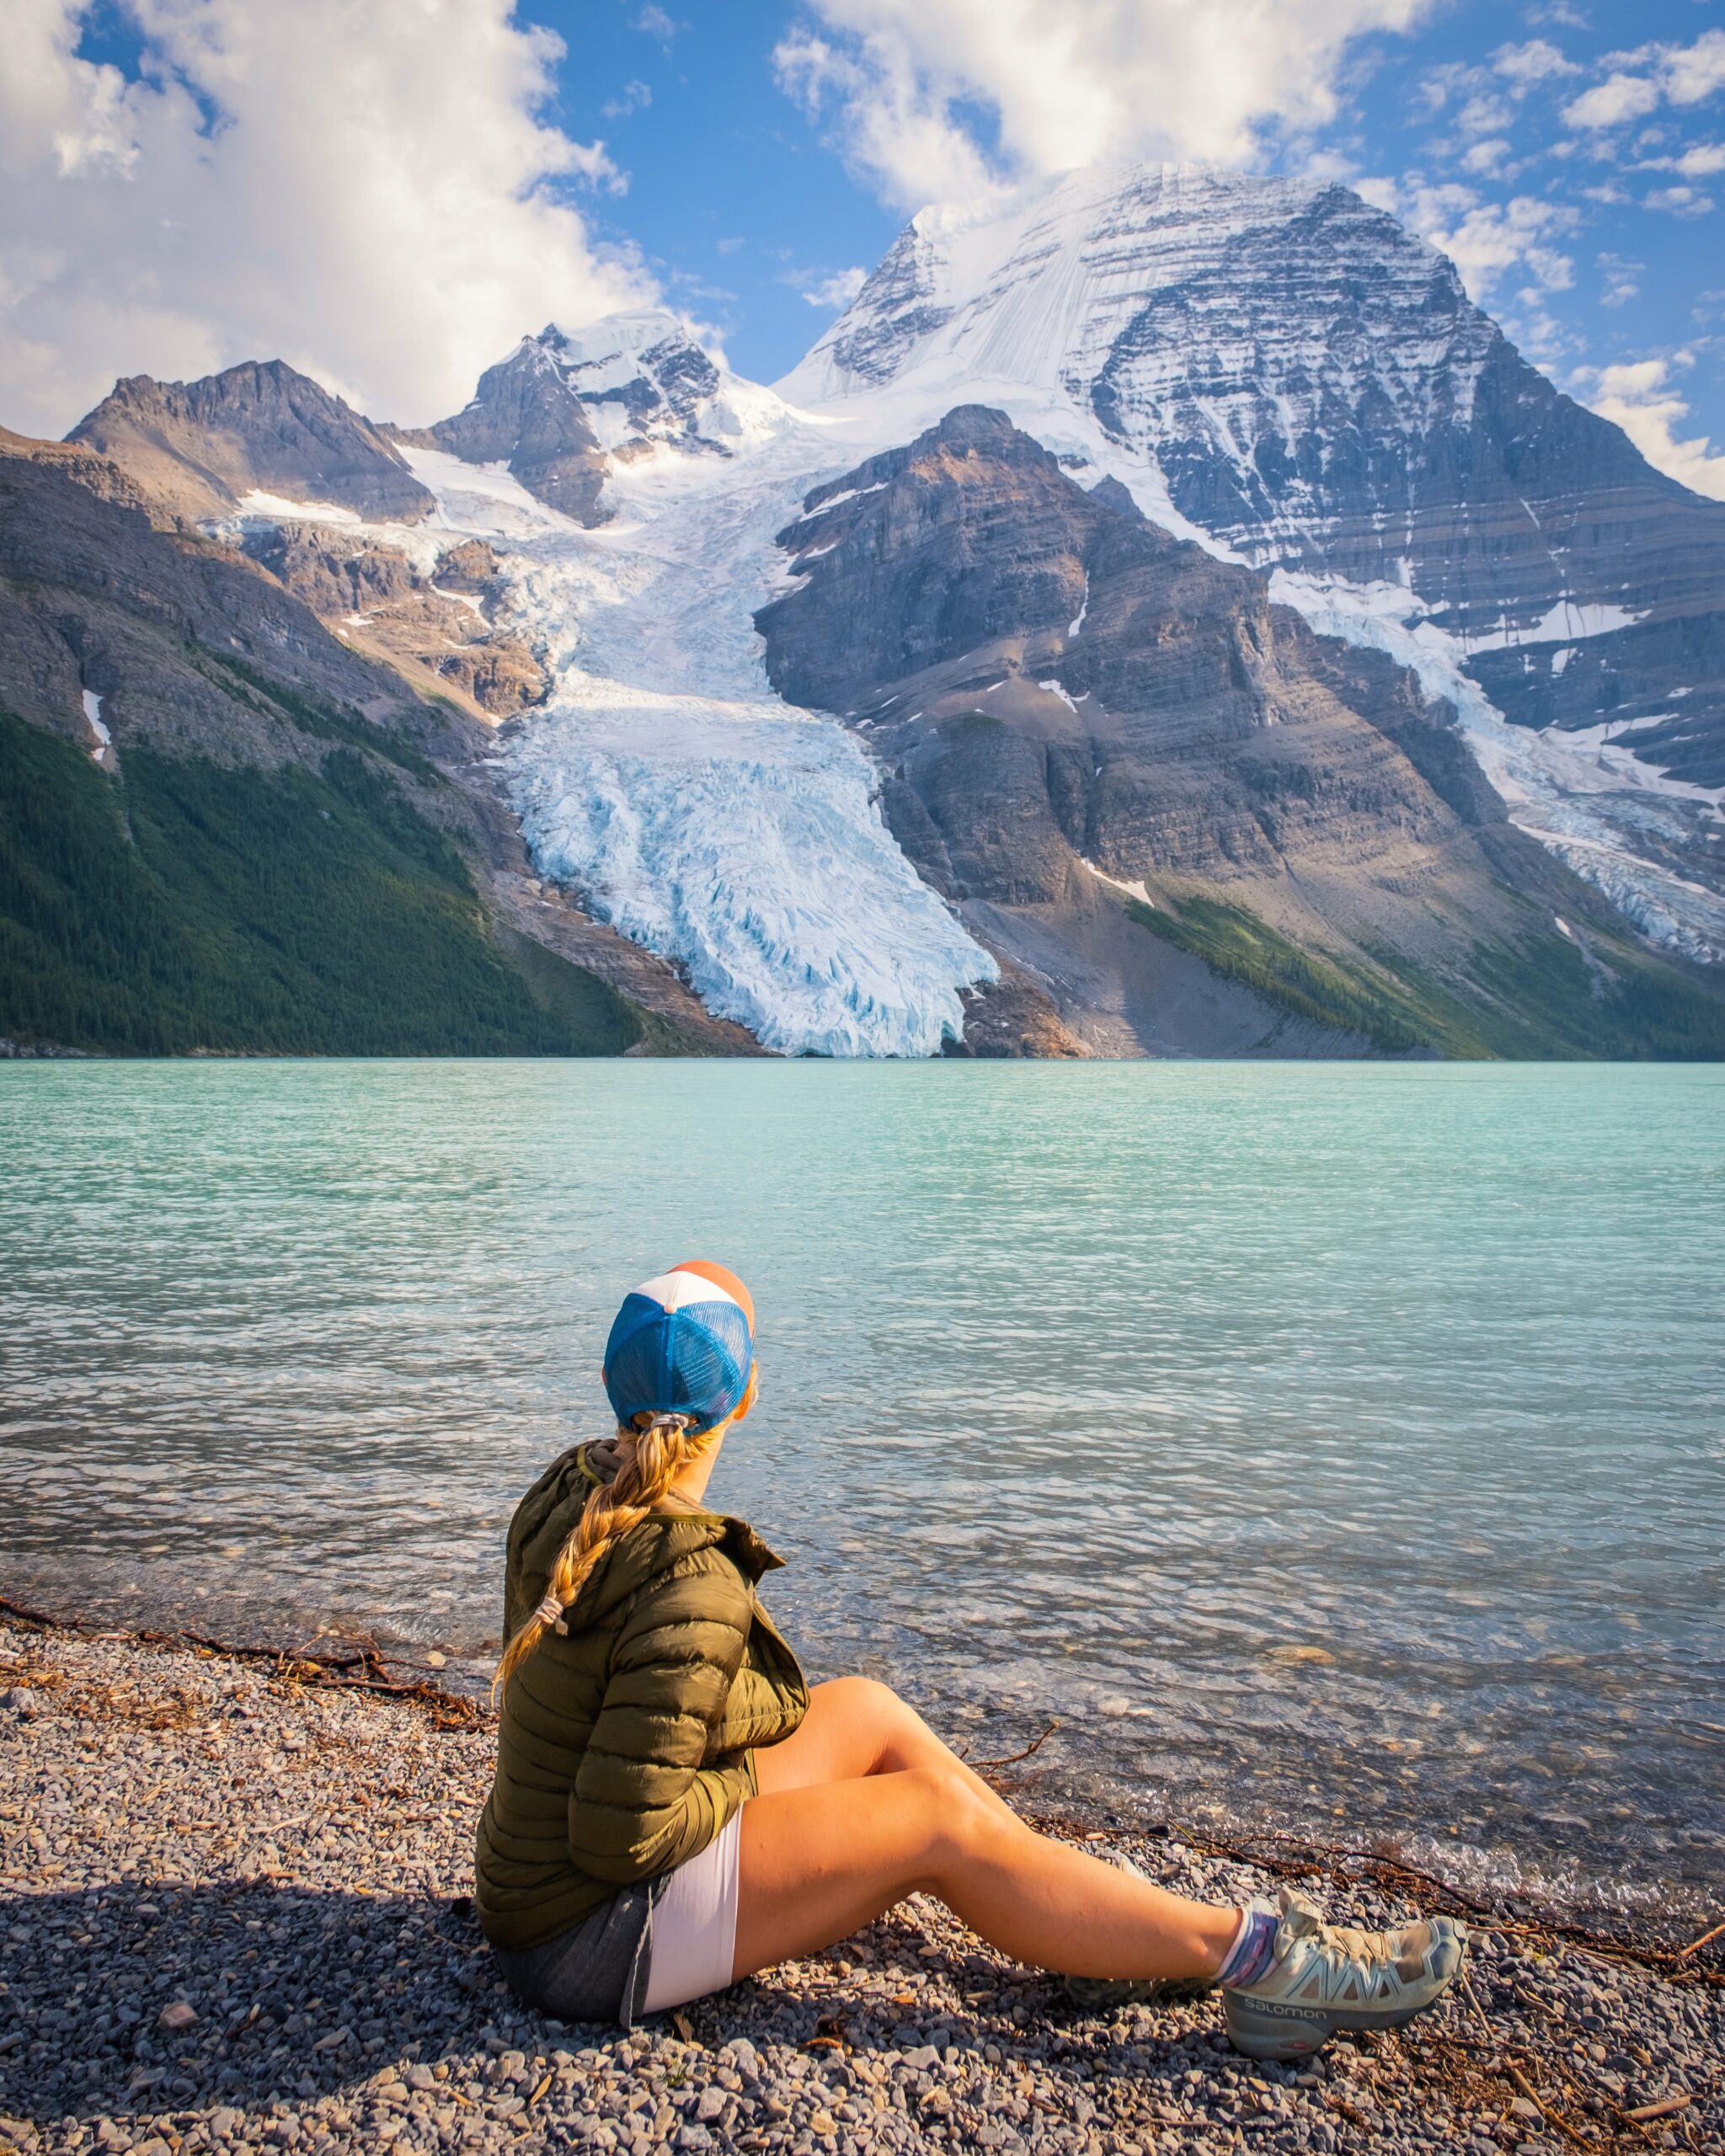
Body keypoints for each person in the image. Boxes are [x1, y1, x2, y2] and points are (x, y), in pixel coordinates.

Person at [475, 1261, 1466, 2060]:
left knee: (863, 1708)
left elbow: (608, 1743)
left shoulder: (569, 1491)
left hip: (539, 1879)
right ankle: (1264, 1965)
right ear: (747, 1395)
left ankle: (1089, 1932)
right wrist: (742, 1794)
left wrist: (723, 1763)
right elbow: (619, 1838)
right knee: (934, 1823)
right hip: (583, 1941)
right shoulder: (693, 1583)